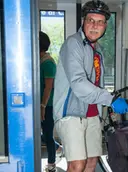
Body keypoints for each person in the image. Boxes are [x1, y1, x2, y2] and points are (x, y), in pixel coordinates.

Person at [53, 1, 128, 172]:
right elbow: (79, 83)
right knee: (77, 164)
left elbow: (95, 85)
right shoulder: (73, 44)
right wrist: (111, 100)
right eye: (91, 20)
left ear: (105, 26)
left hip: (92, 114)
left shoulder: (98, 51)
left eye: (100, 22)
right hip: (71, 114)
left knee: (91, 161)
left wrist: (112, 101)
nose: (95, 26)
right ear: (83, 21)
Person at [39, 31, 63, 172]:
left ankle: (51, 163)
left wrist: (42, 106)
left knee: (47, 134)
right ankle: (57, 147)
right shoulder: (39, 60)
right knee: (39, 133)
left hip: (48, 105)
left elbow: (48, 87)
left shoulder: (48, 62)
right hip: (40, 104)